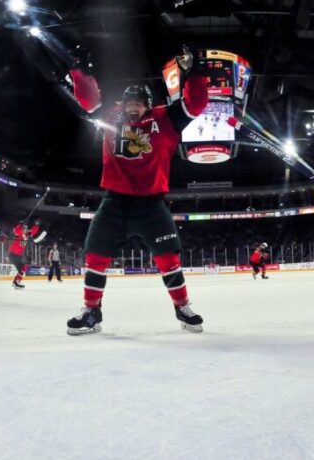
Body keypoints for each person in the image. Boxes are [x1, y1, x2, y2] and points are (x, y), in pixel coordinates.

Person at [65, 45, 209, 335]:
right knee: (95, 257)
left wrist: (195, 72)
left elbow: (195, 104)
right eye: (129, 102)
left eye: (139, 103)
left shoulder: (165, 119)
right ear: (123, 103)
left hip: (152, 205)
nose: (133, 107)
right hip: (114, 202)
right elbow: (89, 98)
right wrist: (78, 70)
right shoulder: (111, 115)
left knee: (169, 259)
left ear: (148, 104)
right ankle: (91, 312)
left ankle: (182, 307)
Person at [8, 219, 42, 289]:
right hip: (13, 253)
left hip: (18, 255)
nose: (25, 229)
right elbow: (15, 231)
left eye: (26, 228)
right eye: (24, 228)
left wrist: (36, 225)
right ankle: (16, 283)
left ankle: (16, 282)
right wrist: (19, 224)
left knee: (22, 268)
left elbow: (33, 231)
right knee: (22, 268)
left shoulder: (28, 234)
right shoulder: (19, 232)